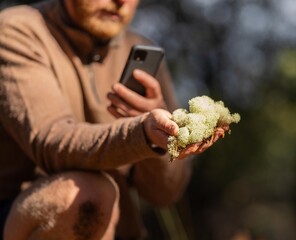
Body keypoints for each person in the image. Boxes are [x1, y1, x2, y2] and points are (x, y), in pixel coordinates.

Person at [0, 0, 226, 239]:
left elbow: (164, 194)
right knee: (84, 195)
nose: (120, 2)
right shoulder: (18, 31)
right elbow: (52, 140)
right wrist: (142, 133)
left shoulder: (139, 49)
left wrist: (163, 138)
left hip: (117, 231)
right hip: (16, 218)